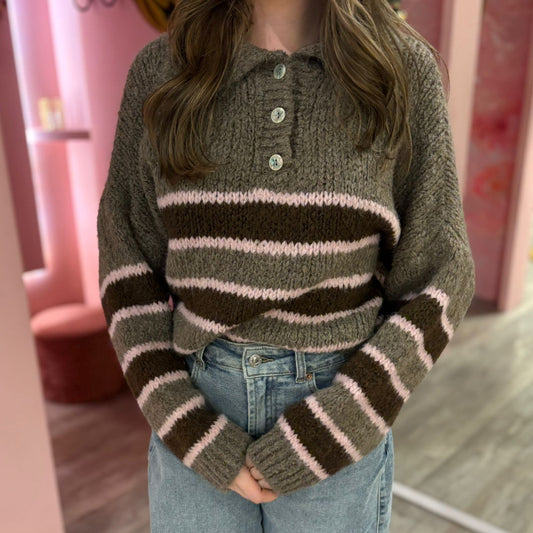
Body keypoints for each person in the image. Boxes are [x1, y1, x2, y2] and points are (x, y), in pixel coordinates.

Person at [97, 0, 476, 531]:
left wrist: (339, 423)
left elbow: (443, 275)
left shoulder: (401, 69)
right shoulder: (163, 69)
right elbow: (125, 261)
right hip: (195, 407)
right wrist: (186, 423)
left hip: (337, 414)